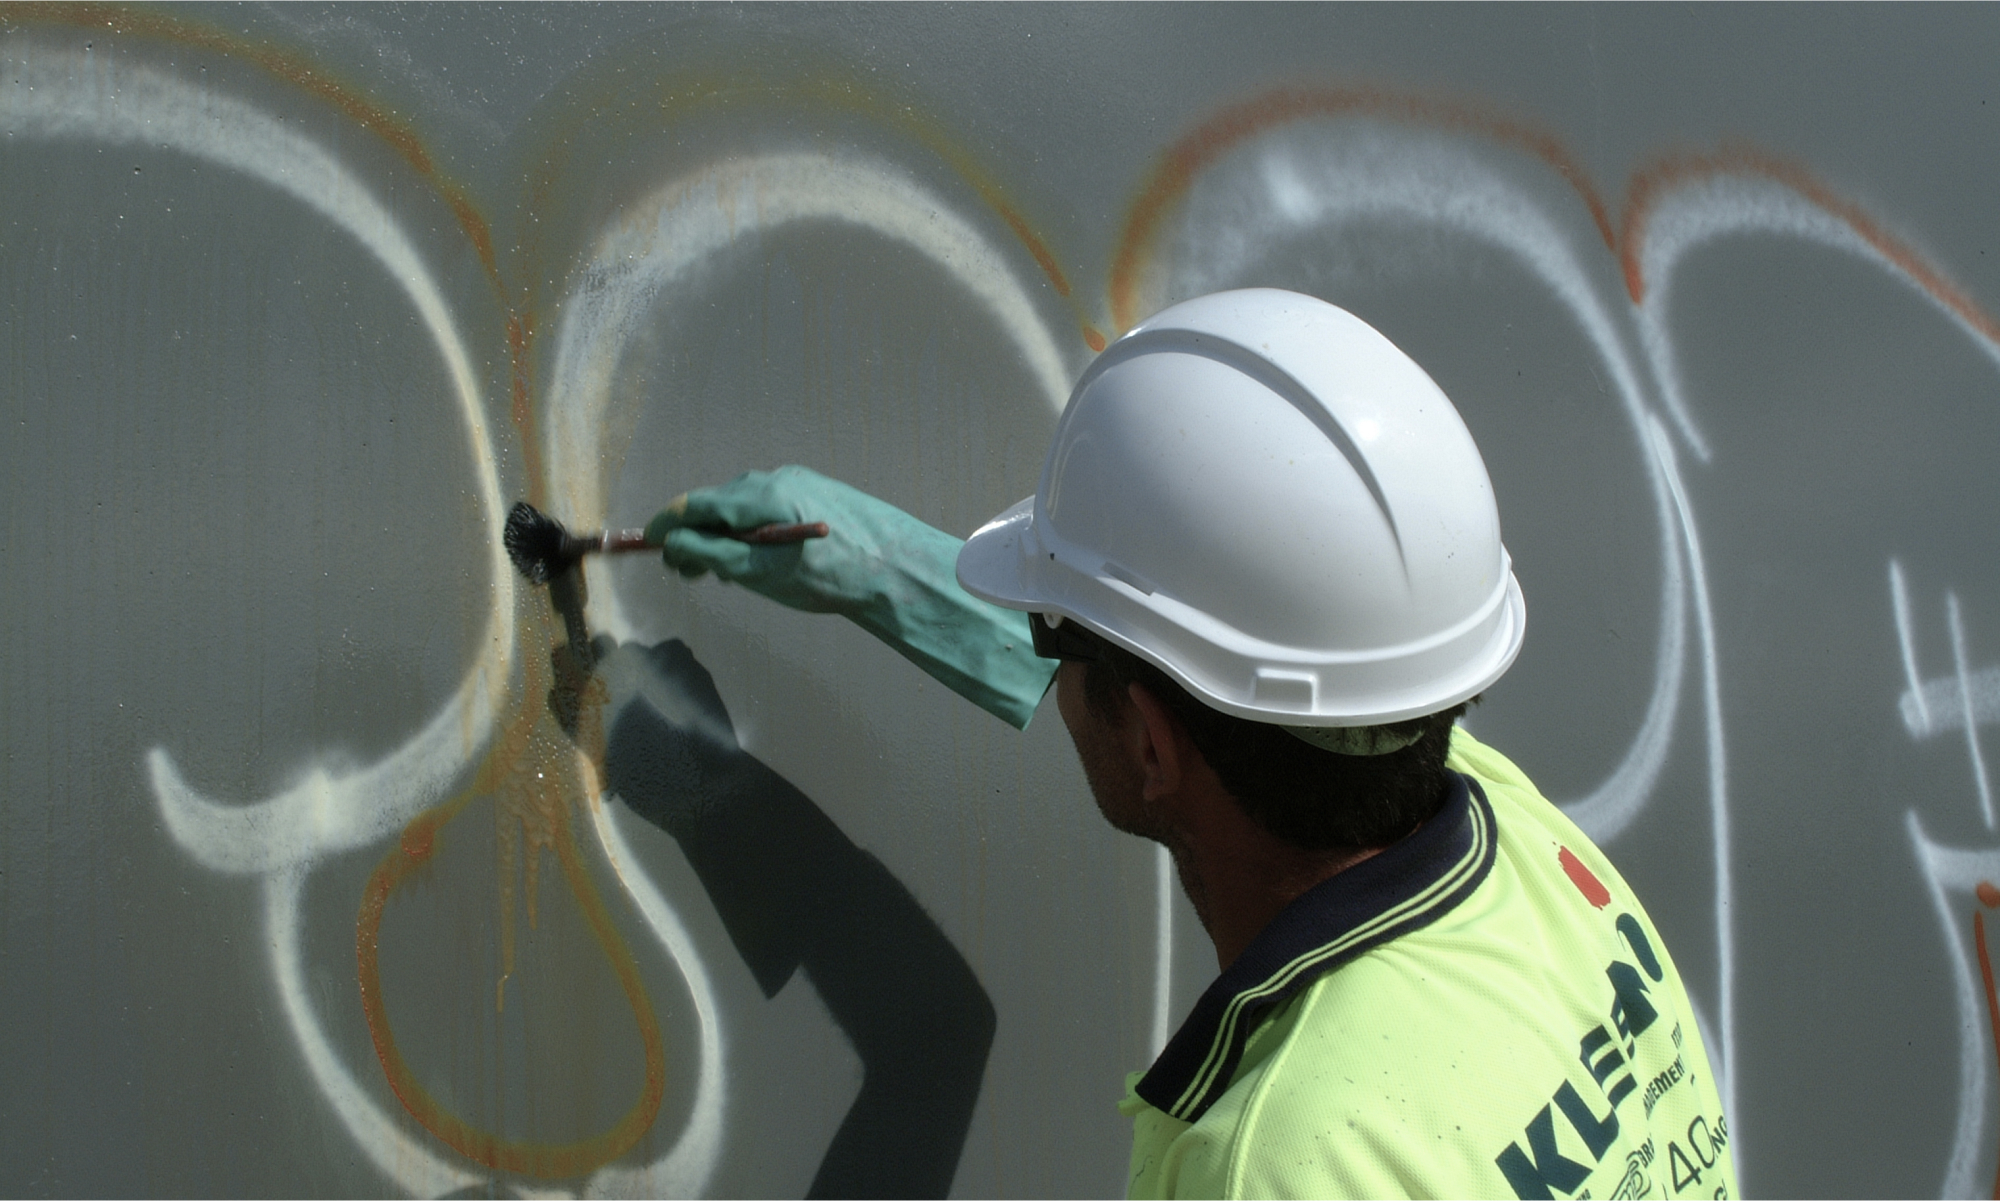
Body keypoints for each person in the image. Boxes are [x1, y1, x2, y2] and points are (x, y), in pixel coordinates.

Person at [637, 289, 1736, 1199]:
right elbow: (1252, 697)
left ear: (1152, 744)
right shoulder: (1525, 851)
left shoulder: (1274, 1159)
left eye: (1055, 641)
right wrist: (889, 574)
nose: (1050, 656)